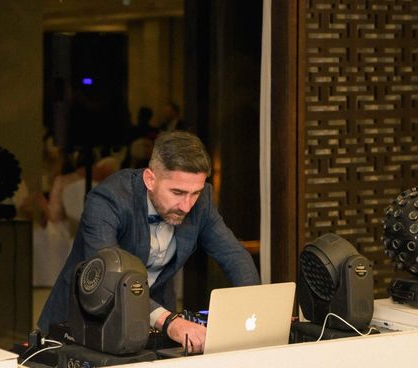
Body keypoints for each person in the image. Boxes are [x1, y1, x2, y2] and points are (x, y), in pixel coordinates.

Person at [38, 131, 260, 353]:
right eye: (177, 192)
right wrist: (170, 322)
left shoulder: (201, 203)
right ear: (150, 179)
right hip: (85, 321)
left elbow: (234, 256)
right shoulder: (108, 200)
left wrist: (254, 312)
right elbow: (108, 276)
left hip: (153, 321)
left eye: (195, 193)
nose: (186, 205)